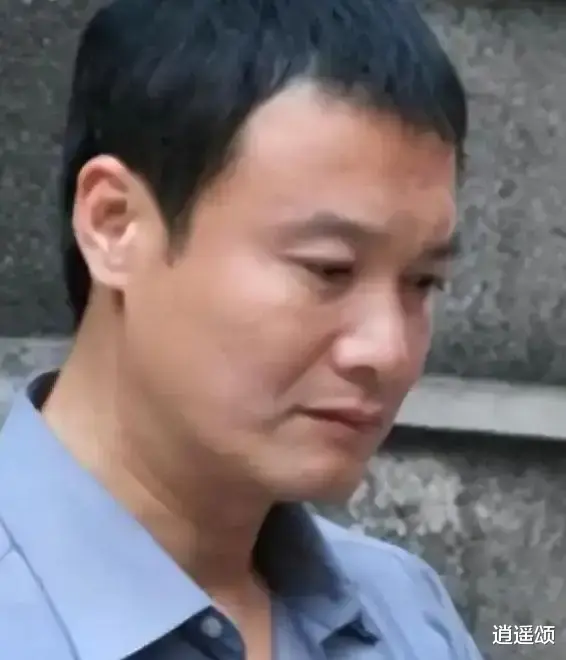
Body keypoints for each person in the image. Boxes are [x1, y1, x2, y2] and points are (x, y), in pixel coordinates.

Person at [0, 0, 482, 658]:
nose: (389, 351)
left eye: (423, 282)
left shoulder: (406, 611)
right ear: (116, 225)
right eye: (329, 269)